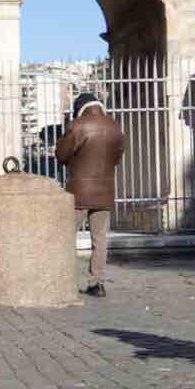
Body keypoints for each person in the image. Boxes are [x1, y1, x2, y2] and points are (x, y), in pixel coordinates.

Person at [58, 90, 127, 298]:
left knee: (67, 236)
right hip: (104, 190)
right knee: (100, 239)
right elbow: (117, 158)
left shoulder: (77, 126)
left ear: (80, 109)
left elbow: (61, 154)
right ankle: (96, 282)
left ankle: (64, 281)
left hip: (78, 191)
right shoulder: (115, 127)